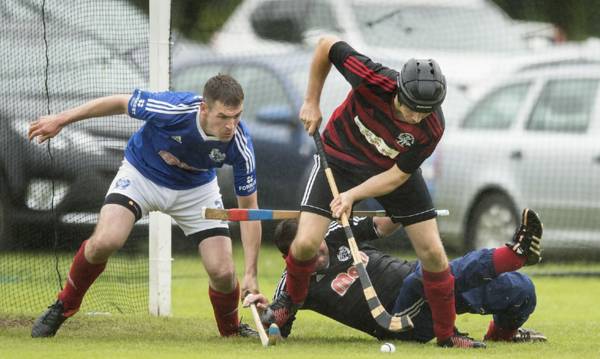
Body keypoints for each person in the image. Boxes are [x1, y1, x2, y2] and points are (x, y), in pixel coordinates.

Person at [274, 34, 471, 347]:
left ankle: (447, 334)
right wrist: (311, 101)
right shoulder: (372, 78)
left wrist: (352, 196)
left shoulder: (432, 126)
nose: (417, 118)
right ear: (399, 91)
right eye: (411, 110)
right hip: (338, 160)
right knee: (307, 243)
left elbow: (396, 177)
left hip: (390, 172)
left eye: (425, 111)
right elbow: (326, 45)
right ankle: (287, 305)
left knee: (434, 252)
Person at [28, 75, 261, 338]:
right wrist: (61, 119)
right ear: (204, 109)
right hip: (142, 175)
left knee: (223, 271)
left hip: (197, 191)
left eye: (237, 116)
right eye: (223, 117)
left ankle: (231, 333)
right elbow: (118, 102)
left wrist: (251, 273)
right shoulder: (173, 109)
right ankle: (64, 305)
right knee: (105, 241)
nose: (231, 126)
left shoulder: (240, 143)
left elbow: (249, 210)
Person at [247, 208, 545, 346]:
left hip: (425, 292)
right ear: (292, 258)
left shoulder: (336, 232)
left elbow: (380, 225)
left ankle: (502, 337)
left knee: (520, 290)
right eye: (310, 254)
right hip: (400, 319)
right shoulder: (294, 283)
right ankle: (515, 255)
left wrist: (405, 205)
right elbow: (277, 323)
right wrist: (264, 313)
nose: (319, 251)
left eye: (318, 244)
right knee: (428, 272)